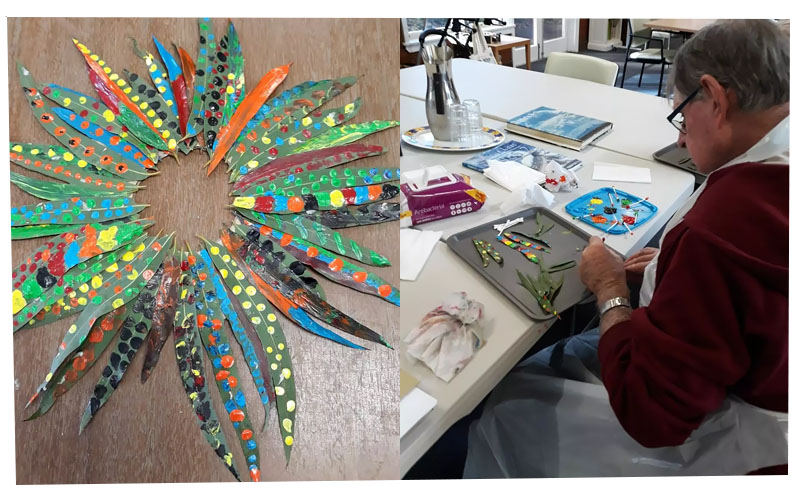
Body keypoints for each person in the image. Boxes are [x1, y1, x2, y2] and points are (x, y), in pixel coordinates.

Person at [463, 19, 788, 477]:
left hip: (744, 442)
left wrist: (611, 288)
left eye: (681, 114)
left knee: (508, 408)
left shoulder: (722, 228)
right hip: (769, 382)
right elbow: (751, 292)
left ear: (714, 97)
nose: (679, 137)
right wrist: (680, 270)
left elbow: (652, 418)